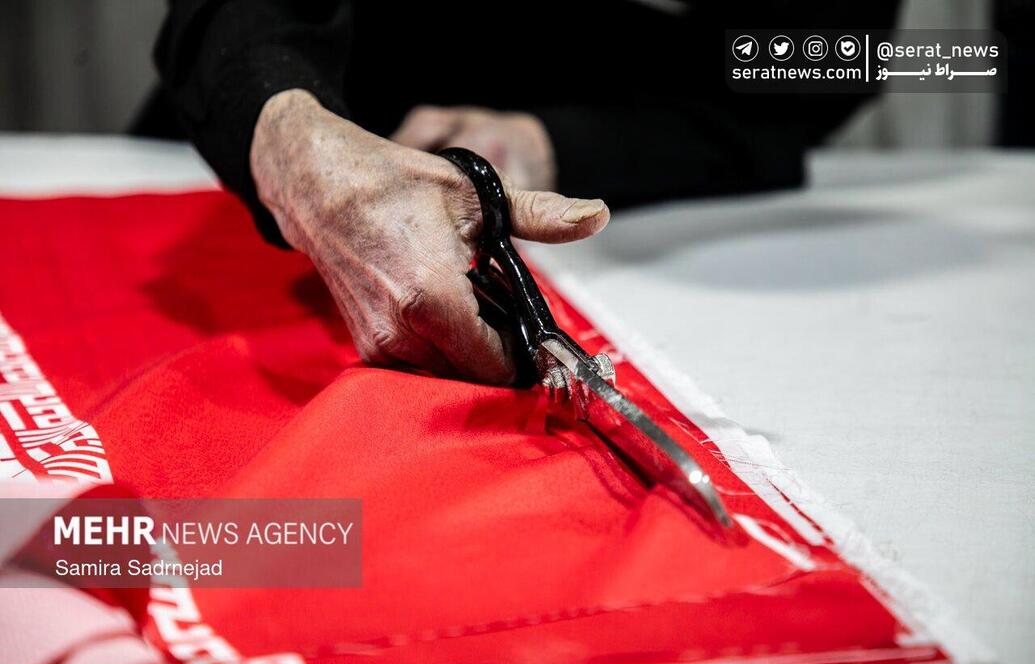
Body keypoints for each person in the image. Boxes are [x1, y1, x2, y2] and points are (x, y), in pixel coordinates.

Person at [144, 0, 899, 384]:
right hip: (297, 125)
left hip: (648, 177)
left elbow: (818, 69)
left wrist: (557, 143)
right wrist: (292, 143)